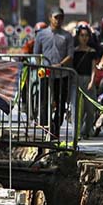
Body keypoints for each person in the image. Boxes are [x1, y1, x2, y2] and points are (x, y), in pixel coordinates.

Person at [34, 8, 75, 137]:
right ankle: (46, 126)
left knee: (61, 102)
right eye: (56, 17)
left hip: (61, 73)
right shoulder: (41, 35)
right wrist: (41, 65)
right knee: (44, 101)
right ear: (50, 18)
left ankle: (56, 126)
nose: (58, 20)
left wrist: (61, 64)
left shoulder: (67, 36)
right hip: (45, 72)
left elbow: (70, 55)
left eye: (60, 17)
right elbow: (36, 53)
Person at [73, 24, 100, 139]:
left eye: (86, 35)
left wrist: (92, 81)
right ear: (78, 37)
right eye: (82, 35)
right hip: (76, 79)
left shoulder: (92, 51)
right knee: (78, 109)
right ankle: (77, 132)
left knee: (90, 109)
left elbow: (94, 67)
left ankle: (87, 130)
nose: (84, 38)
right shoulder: (74, 51)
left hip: (88, 79)